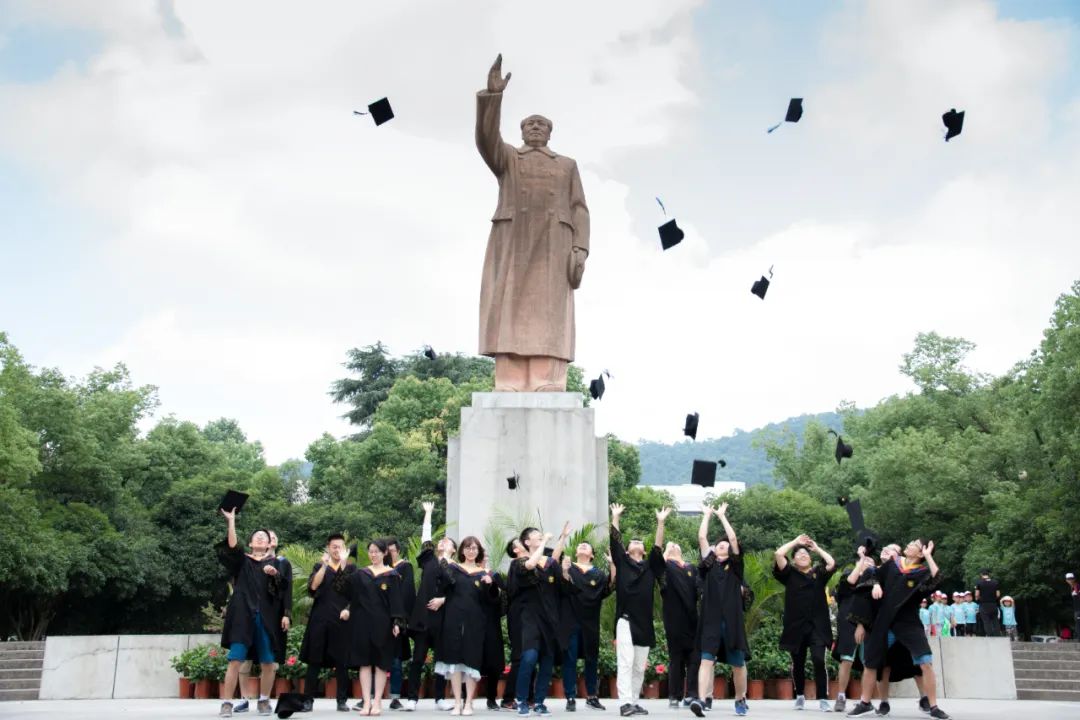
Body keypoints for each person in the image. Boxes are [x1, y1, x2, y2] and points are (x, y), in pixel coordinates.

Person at [475, 54, 591, 392]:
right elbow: (486, 140)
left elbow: (580, 208)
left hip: (554, 245)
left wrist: (580, 247)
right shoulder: (509, 158)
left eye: (542, 124)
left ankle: (547, 379)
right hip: (513, 241)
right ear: (522, 131)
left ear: (551, 133)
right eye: (530, 124)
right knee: (508, 306)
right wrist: (493, 97)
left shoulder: (567, 165)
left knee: (549, 313)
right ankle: (509, 380)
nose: (536, 127)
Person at [846, 539, 949, 719]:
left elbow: (938, 579)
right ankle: (864, 703)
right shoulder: (893, 564)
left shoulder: (921, 572)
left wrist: (928, 557)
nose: (908, 545)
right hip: (883, 622)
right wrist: (877, 585)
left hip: (908, 623)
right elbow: (874, 575)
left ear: (920, 553)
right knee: (871, 664)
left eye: (913, 544)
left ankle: (933, 707)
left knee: (925, 662)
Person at [216, 510, 285, 718]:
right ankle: (226, 703)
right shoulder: (243, 561)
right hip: (242, 616)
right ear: (251, 543)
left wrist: (275, 576)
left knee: (268, 662)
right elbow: (232, 547)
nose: (261, 537)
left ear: (268, 544)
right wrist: (231, 522)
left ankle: (264, 700)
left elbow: (282, 591)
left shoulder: (275, 564)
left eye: (264, 537)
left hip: (265, 618)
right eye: (257, 536)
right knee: (235, 659)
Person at [690, 503, 749, 718]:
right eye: (719, 545)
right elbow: (702, 539)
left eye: (725, 545)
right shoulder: (708, 566)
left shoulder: (735, 566)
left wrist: (722, 516)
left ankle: (740, 698)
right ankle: (700, 699)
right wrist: (706, 515)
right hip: (711, 620)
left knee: (738, 665)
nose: (722, 546)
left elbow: (733, 539)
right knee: (706, 660)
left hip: (732, 621)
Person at [436, 536, 501, 716]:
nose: (471, 551)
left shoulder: (483, 574)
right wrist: (444, 558)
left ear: (478, 552)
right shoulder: (454, 569)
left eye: (474, 548)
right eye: (468, 548)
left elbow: (492, 600)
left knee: (472, 661)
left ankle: (469, 703)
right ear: (462, 550)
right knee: (455, 661)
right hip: (453, 619)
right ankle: (457, 702)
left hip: (475, 621)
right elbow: (442, 586)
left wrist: (491, 585)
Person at [773, 534, 836, 712]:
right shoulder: (789, 574)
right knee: (798, 663)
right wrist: (796, 542)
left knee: (818, 660)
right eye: (799, 554)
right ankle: (800, 695)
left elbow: (831, 563)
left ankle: (823, 698)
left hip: (817, 626)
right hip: (796, 626)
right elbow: (778, 554)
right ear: (793, 560)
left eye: (806, 554)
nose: (803, 555)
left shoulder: (818, 573)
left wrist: (816, 549)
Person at [513, 523, 569, 717]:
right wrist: (545, 541)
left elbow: (552, 560)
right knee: (529, 658)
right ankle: (521, 700)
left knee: (547, 661)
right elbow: (530, 565)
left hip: (550, 619)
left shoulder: (550, 564)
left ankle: (539, 702)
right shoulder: (520, 562)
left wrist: (562, 538)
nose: (540, 536)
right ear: (527, 542)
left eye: (540, 535)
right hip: (530, 618)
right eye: (536, 536)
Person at [234, 529, 292, 715]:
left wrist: (286, 614)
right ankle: (243, 699)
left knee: (269, 658)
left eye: (272, 537)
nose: (270, 540)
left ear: (273, 543)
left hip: (272, 615)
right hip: (249, 613)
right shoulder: (248, 560)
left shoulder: (282, 562)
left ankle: (264, 699)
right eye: (267, 537)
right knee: (244, 659)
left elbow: (286, 590)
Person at [609, 504, 656, 717]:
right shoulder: (623, 561)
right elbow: (615, 541)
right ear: (627, 551)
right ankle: (625, 702)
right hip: (626, 620)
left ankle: (634, 702)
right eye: (632, 542)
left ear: (643, 550)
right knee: (626, 662)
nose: (636, 541)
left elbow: (658, 546)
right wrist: (615, 516)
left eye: (640, 542)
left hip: (644, 623)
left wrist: (661, 522)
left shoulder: (650, 566)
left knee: (638, 667)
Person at [299, 533, 355, 713]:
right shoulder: (320, 566)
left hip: (341, 620)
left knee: (341, 662)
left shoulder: (352, 568)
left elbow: (352, 592)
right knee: (314, 660)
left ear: (345, 549)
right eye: (334, 547)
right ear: (328, 549)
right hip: (320, 619)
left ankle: (341, 700)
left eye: (340, 546)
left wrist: (348, 609)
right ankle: (308, 700)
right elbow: (313, 587)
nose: (337, 550)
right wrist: (323, 565)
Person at [650, 507, 699, 709]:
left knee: (694, 658)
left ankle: (692, 695)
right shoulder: (665, 569)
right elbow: (656, 558)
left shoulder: (690, 568)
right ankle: (674, 696)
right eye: (671, 546)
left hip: (693, 620)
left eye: (675, 545)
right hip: (674, 620)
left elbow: (699, 589)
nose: (674, 546)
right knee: (676, 658)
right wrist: (661, 527)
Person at [350, 539, 406, 716]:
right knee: (365, 663)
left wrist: (397, 622)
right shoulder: (361, 574)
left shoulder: (392, 575)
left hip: (383, 624)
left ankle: (377, 702)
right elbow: (349, 594)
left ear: (384, 553)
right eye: (371, 551)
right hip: (362, 623)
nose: (373, 554)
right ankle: (366, 702)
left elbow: (396, 601)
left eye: (377, 551)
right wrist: (344, 563)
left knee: (382, 664)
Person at [558, 539, 615, 712]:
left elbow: (611, 585)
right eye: (580, 545)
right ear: (576, 553)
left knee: (591, 659)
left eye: (587, 546)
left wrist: (613, 563)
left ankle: (592, 696)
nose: (582, 546)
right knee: (570, 660)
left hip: (590, 623)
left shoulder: (597, 574)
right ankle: (570, 697)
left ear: (592, 555)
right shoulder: (569, 566)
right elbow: (563, 586)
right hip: (570, 621)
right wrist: (565, 570)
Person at [405, 502, 451, 711]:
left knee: (441, 660)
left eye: (447, 541)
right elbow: (426, 538)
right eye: (441, 540)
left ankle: (440, 698)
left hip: (444, 620)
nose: (443, 542)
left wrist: (443, 600)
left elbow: (460, 594)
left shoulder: (456, 567)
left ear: (453, 549)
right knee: (418, 659)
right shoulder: (430, 560)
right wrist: (429, 514)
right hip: (424, 618)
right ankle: (412, 698)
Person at [501, 538, 531, 710]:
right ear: (516, 550)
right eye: (520, 543)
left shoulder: (532, 561)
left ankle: (529, 697)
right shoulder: (517, 564)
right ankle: (508, 698)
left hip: (529, 614)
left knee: (530, 655)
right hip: (518, 614)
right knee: (519, 656)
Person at [386, 537, 415, 710]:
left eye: (392, 551)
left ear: (398, 551)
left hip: (397, 621)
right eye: (387, 551)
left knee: (396, 661)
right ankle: (370, 697)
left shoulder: (405, 567)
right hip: (380, 621)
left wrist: (398, 620)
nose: (390, 554)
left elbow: (407, 594)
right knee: (374, 661)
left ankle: (395, 697)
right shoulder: (379, 570)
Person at [480, 555, 507, 711]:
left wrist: (494, 586)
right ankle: (464, 697)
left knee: (493, 661)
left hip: (491, 623)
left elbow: (503, 599)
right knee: (469, 660)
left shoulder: (494, 575)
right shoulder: (465, 573)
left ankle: (491, 698)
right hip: (473, 622)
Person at [975, 569, 1001, 637]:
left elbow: (977, 595)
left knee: (986, 621)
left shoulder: (979, 583)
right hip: (993, 604)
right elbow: (998, 594)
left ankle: (990, 636)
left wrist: (978, 599)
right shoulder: (995, 582)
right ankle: (998, 636)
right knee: (995, 621)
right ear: (988, 574)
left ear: (981, 575)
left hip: (984, 605)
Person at [1067, 573, 1080, 642]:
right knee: (1077, 625)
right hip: (1076, 610)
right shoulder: (1072, 588)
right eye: (1069, 579)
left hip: (1079, 610)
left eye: (1071, 579)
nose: (1070, 580)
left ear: (1074, 579)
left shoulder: (1077, 586)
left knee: (1078, 625)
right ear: (1066, 580)